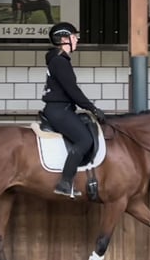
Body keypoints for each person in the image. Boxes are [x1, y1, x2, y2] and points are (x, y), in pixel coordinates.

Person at [42, 22, 107, 197]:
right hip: (59, 110)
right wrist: (92, 108)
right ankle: (65, 182)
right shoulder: (60, 61)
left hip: (61, 109)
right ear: (64, 39)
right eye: (74, 36)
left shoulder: (58, 60)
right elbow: (72, 90)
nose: (76, 39)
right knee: (85, 140)